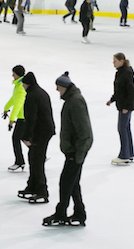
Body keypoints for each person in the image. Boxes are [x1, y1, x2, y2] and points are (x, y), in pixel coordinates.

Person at [43, 72, 93, 227]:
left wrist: (78, 154)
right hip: (73, 150)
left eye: (58, 87)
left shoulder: (75, 102)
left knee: (66, 182)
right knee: (72, 182)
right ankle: (79, 213)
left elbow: (84, 131)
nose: (57, 90)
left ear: (64, 87)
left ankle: (61, 213)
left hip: (76, 151)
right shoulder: (71, 100)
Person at [18, 71, 55, 203]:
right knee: (33, 158)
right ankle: (32, 186)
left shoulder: (32, 96)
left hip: (41, 132)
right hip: (45, 130)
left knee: (37, 161)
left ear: (27, 84)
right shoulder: (40, 92)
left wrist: (26, 136)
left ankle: (42, 191)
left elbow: (31, 118)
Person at [107, 53, 134, 165]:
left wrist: (126, 106)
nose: (113, 63)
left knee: (122, 128)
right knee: (125, 128)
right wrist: (112, 99)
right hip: (123, 104)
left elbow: (130, 91)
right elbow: (119, 90)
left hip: (125, 106)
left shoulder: (126, 73)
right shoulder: (121, 72)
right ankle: (129, 153)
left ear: (121, 61)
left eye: (115, 61)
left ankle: (124, 155)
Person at [3, 65, 27, 172]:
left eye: (14, 73)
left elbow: (18, 103)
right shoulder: (18, 85)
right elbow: (14, 99)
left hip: (23, 117)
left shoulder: (21, 86)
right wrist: (6, 107)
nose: (12, 75)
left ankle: (19, 162)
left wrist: (12, 119)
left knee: (16, 138)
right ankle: (40, 155)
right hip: (23, 116)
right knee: (24, 138)